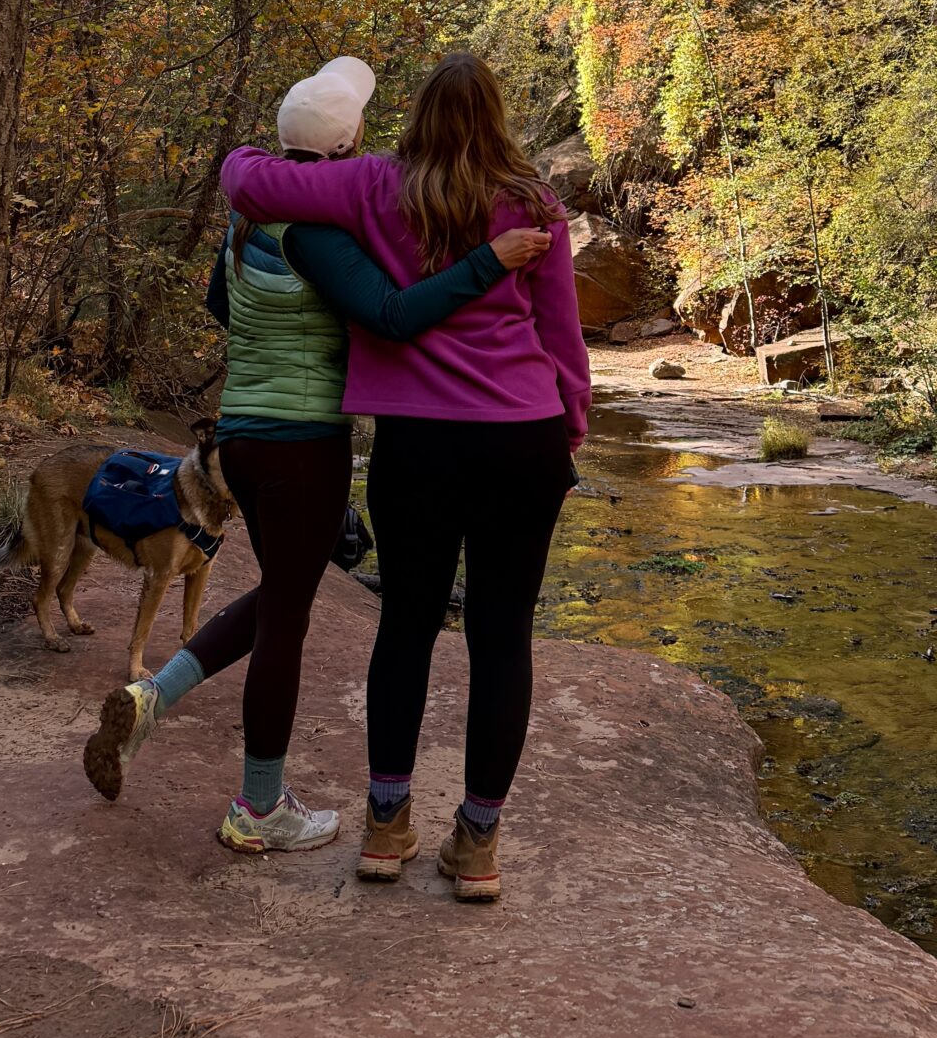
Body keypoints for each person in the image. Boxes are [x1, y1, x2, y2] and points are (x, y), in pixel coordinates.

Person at [82, 55, 551, 850]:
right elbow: (392, 315)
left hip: (240, 438)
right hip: (305, 445)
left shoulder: (245, 222)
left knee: (281, 596)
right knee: (290, 615)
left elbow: (221, 306)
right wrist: (485, 264)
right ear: (344, 144)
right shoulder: (324, 234)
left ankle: (156, 695)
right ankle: (258, 806)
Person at [221, 48, 588, 905]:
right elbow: (562, 337)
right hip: (522, 440)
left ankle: (387, 827)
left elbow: (248, 183)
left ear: (415, 117)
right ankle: (478, 844)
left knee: (408, 628)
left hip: (417, 444)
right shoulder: (535, 206)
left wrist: (249, 150)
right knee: (503, 640)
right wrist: (568, 426)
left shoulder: (375, 186)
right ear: (497, 119)